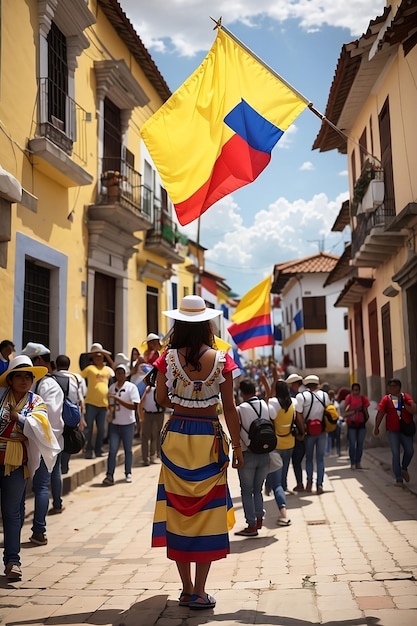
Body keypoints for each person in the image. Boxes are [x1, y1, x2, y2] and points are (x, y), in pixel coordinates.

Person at [151, 295, 243, 610]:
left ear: (178, 324)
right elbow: (229, 408)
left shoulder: (166, 359)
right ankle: (201, 590)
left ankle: (187, 587)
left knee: (177, 511)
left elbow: (161, 398)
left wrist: (182, 396)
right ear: (207, 324)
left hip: (176, 436)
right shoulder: (222, 359)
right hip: (209, 439)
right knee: (207, 513)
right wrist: (239, 446)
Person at [0, 355, 60, 580]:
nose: (24, 381)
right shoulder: (0, 397)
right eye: (19, 376)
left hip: (15, 460)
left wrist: (20, 419)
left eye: (28, 377)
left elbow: (41, 426)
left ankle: (13, 560)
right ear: (11, 379)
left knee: (12, 512)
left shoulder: (36, 402)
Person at [21, 342, 64, 545]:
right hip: (24, 444)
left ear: (38, 361)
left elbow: (51, 421)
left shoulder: (49, 385)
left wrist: (23, 421)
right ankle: (15, 532)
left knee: (40, 487)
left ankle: (39, 530)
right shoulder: (29, 384)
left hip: (43, 444)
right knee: (20, 489)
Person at [234, 378, 271, 537]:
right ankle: (259, 518)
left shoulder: (240, 409)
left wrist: (236, 453)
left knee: (246, 491)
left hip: (247, 453)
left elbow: (236, 432)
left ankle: (251, 525)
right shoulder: (264, 404)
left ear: (242, 393)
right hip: (264, 452)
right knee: (258, 489)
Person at [266, 380, 304, 525]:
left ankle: (282, 510)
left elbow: (270, 418)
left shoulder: (274, 404)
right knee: (284, 472)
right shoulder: (293, 402)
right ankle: (279, 487)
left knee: (276, 479)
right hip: (290, 442)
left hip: (277, 444)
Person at [373, 379, 416, 485]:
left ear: (399, 387)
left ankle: (404, 468)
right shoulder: (386, 399)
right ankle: (398, 478)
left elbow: (413, 409)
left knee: (410, 451)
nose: (392, 388)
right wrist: (376, 427)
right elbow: (380, 413)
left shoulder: (406, 397)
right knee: (395, 453)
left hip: (405, 429)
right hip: (393, 431)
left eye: (394, 386)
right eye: (390, 386)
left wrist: (406, 406)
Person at [102, 364, 140, 486]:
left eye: (121, 373)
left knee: (127, 449)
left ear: (125, 374)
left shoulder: (131, 388)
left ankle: (128, 472)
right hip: (114, 424)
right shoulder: (112, 388)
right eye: (117, 373)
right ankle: (109, 475)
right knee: (112, 450)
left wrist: (117, 399)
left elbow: (134, 406)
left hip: (127, 423)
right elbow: (109, 403)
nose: (119, 375)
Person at [295, 374, 330, 495]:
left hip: (309, 431)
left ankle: (309, 483)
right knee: (320, 459)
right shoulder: (325, 395)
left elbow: (298, 414)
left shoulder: (301, 397)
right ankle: (319, 485)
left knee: (309, 458)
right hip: (322, 430)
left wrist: (302, 427)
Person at [53, 354, 85, 481]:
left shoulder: (52, 378)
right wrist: (80, 418)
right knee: (68, 438)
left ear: (56, 365)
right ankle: (64, 466)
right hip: (70, 415)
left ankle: (56, 466)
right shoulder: (75, 378)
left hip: (55, 413)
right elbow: (80, 400)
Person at [80, 343, 114, 459]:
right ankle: (88, 450)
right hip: (91, 403)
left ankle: (98, 449)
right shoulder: (89, 369)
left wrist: (107, 355)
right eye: (96, 356)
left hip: (104, 404)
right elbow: (80, 377)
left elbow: (116, 369)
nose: (98, 358)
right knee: (88, 428)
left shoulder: (107, 370)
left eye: (100, 356)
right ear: (93, 358)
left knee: (101, 429)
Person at [286, 374, 307, 491]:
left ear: (295, 384)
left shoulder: (297, 396)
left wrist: (302, 432)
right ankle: (307, 483)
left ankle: (300, 483)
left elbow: (298, 417)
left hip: (299, 432)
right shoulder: (308, 393)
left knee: (296, 460)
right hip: (310, 430)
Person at [139, 369, 165, 466]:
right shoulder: (146, 388)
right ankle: (145, 458)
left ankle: (155, 455)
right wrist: (141, 416)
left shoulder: (161, 386)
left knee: (157, 434)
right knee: (145, 436)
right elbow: (140, 402)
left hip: (158, 414)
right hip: (147, 414)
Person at [343, 383, 370, 469]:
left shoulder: (363, 398)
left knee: (360, 444)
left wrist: (366, 417)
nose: (356, 392)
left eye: (357, 390)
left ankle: (358, 462)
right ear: (352, 390)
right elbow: (345, 410)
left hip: (361, 423)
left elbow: (366, 410)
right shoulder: (349, 398)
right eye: (354, 390)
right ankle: (352, 462)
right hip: (352, 423)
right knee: (352, 444)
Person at [325, 389, 342, 457]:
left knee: (331, 437)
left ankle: (332, 451)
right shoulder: (335, 403)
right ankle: (335, 451)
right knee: (334, 437)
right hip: (335, 421)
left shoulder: (328, 403)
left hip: (331, 422)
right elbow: (339, 414)